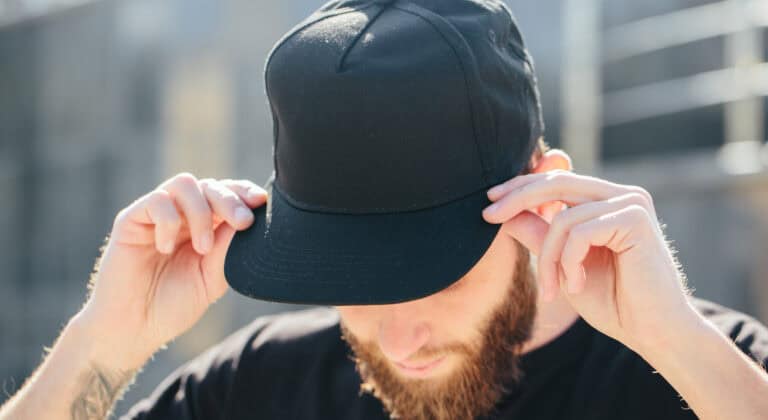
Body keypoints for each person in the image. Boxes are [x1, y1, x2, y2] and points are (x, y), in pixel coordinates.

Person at [2, 0, 768, 419]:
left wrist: (679, 344)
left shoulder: (705, 372)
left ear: (545, 191)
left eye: (430, 271)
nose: (399, 334)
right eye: (355, 278)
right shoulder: (262, 386)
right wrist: (106, 341)